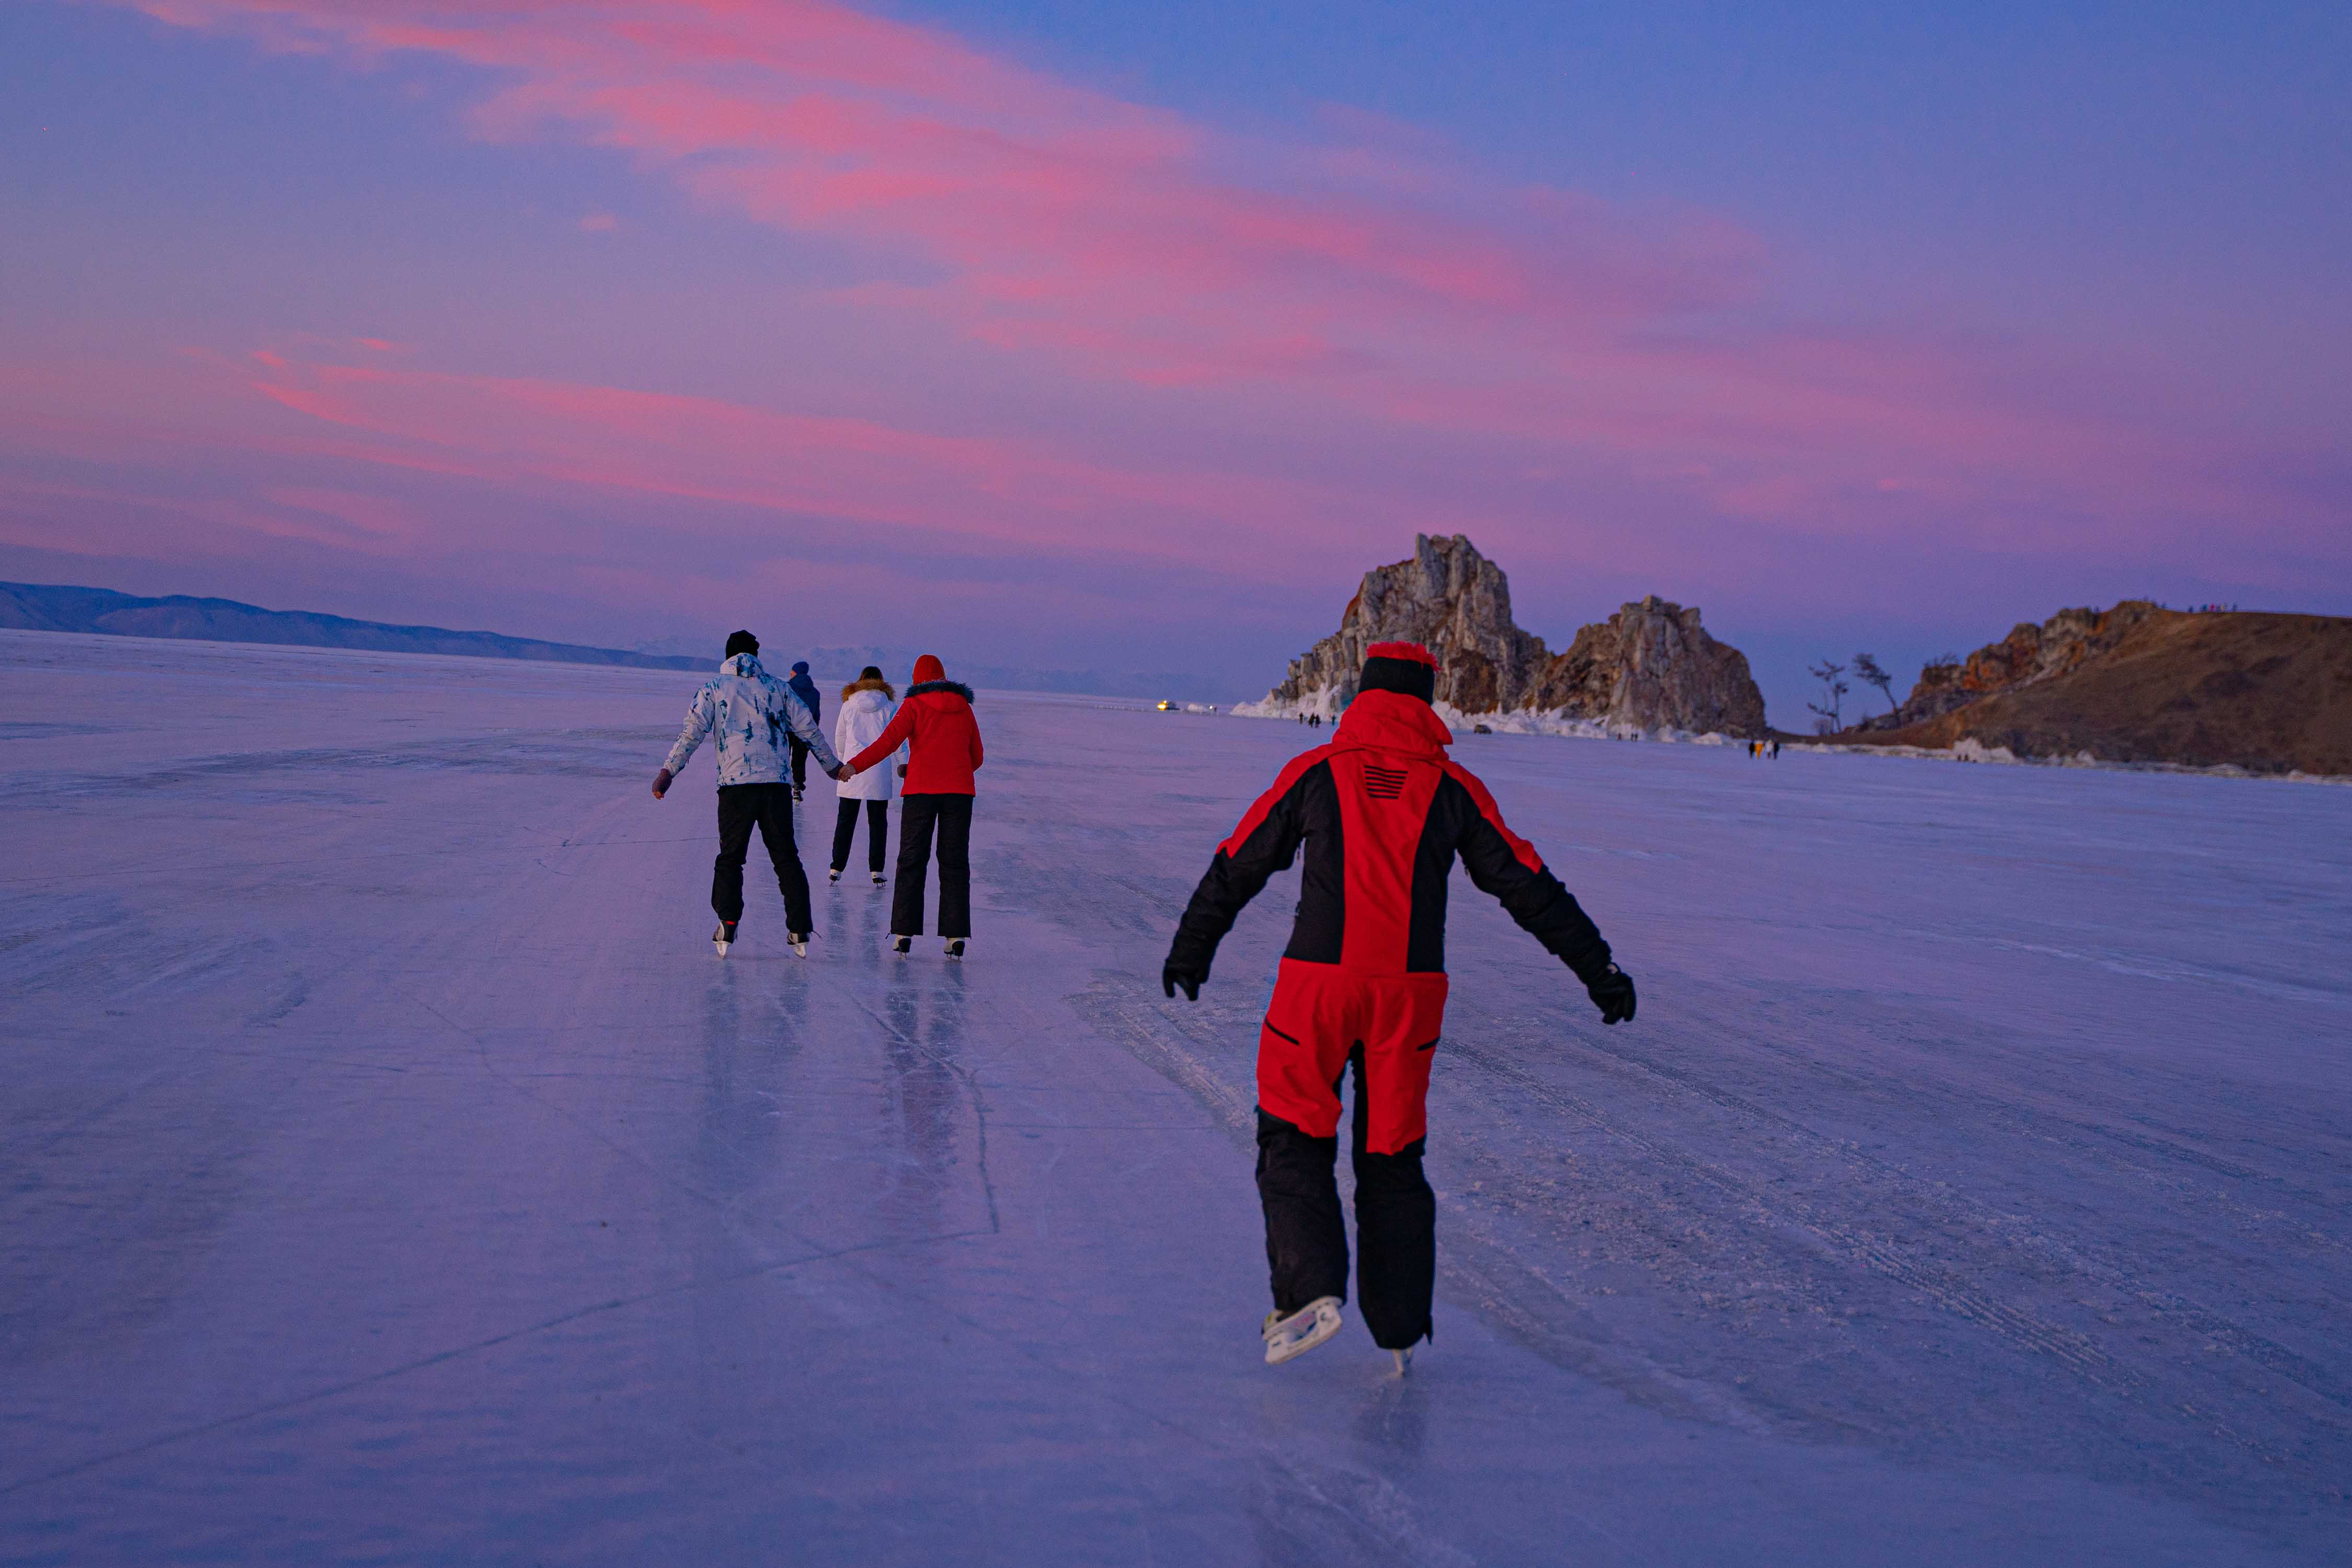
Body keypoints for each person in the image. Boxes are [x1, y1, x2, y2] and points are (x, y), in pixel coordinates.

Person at [1161, 641, 1635, 1374]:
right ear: (1426, 704)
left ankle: (1311, 1290)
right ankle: (1400, 1326)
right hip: (1409, 1000)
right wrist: (1597, 966)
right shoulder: (1454, 789)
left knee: (1293, 1133)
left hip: (1318, 988)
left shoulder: (1316, 773)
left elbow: (1241, 859)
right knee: (1392, 1155)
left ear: (1361, 695)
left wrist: (1192, 948)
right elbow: (1527, 885)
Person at [652, 631, 847, 959]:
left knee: (731, 857)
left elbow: (691, 734)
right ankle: (799, 927)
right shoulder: (778, 688)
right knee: (785, 857)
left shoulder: (714, 689)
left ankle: (727, 921)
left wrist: (667, 772)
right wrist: (831, 766)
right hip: (776, 787)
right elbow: (809, 728)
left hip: (735, 788)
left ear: (728, 656)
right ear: (756, 656)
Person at [846, 654, 983, 958]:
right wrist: (954, 773)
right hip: (960, 794)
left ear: (917, 678)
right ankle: (955, 935)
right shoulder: (965, 708)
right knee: (955, 862)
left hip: (921, 793)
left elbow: (888, 743)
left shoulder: (914, 705)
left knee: (911, 860)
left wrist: (854, 766)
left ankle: (904, 932)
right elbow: (978, 756)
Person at [830, 665, 903, 887]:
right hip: (878, 772)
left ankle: (836, 867)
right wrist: (903, 763)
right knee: (878, 822)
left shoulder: (848, 705)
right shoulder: (890, 707)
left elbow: (840, 736)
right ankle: (877, 870)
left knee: (845, 821)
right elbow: (898, 737)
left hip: (852, 770)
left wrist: (844, 763)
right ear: (881, 681)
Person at [786, 660, 823, 801]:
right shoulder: (815, 692)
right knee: (799, 760)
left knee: (783, 758)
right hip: (805, 731)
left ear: (794, 672)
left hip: (786, 730)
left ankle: (781, 786)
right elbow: (816, 715)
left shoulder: (787, 687)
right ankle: (797, 786)